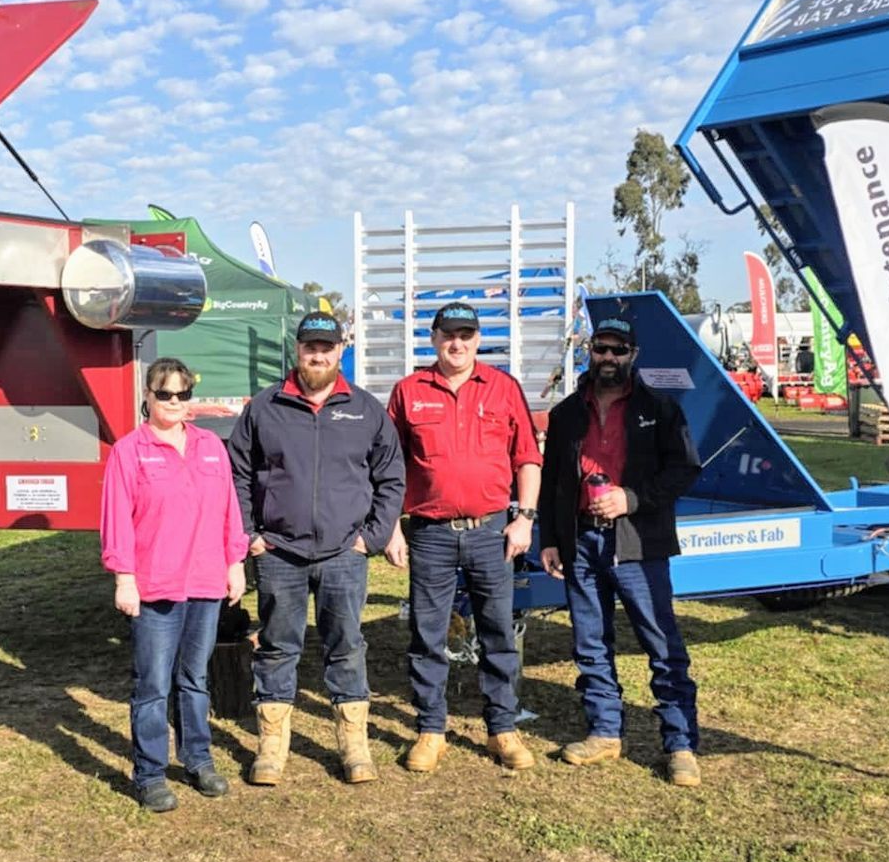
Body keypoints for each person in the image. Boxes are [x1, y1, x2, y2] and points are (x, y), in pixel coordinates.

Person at [229, 312, 405, 786]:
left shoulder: (365, 410)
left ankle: (354, 747)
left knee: (346, 647)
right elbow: (238, 476)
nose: (319, 355)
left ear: (340, 351)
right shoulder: (264, 408)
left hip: (343, 554)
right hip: (279, 552)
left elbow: (391, 477)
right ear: (298, 349)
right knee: (277, 646)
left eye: (327, 347)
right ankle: (271, 749)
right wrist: (251, 536)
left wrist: (372, 536)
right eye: (311, 347)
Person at [538, 316, 705, 785]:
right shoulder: (567, 412)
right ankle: (605, 732)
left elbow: (684, 470)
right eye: (601, 349)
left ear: (633, 355)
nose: (608, 358)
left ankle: (680, 744)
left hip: (639, 544)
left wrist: (631, 499)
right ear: (589, 353)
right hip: (582, 542)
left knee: (661, 645)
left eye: (618, 350)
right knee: (590, 643)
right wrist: (550, 538)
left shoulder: (661, 409)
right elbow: (553, 481)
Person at [384, 303, 543, 773]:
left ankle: (502, 729)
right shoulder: (409, 392)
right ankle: (431, 730)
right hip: (430, 533)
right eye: (447, 334)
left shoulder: (503, 388)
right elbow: (388, 467)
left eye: (466, 334)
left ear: (478, 339)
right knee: (428, 635)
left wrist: (526, 519)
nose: (456, 343)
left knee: (497, 632)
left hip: (491, 532)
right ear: (433, 339)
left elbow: (527, 458)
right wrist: (392, 526)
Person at [100, 357, 249, 813]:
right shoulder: (129, 451)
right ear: (148, 395)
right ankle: (149, 773)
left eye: (182, 395)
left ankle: (198, 759)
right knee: (153, 684)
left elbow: (229, 508)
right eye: (165, 394)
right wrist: (125, 577)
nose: (174, 403)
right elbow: (116, 520)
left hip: (205, 582)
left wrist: (235, 563)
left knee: (195, 679)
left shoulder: (210, 447)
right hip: (155, 586)